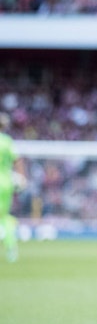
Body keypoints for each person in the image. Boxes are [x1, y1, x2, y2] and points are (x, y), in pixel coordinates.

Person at [1, 113, 22, 263]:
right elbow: (17, 160)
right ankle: (10, 248)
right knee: (4, 217)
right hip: (5, 183)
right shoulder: (7, 142)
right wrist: (21, 177)